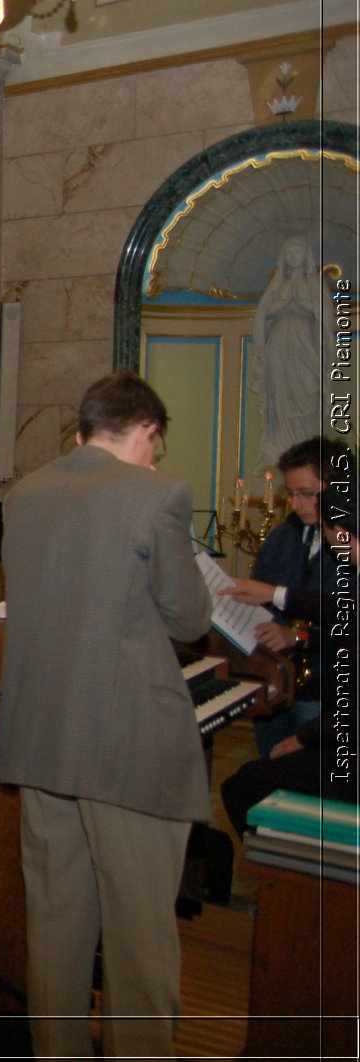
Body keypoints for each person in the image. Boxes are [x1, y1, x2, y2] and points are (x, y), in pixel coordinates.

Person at [0, 372, 212, 1061]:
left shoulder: (23, 494)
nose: (156, 457)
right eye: (157, 444)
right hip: (127, 744)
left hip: (41, 736)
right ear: (146, 431)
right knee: (140, 935)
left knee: (56, 926)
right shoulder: (157, 495)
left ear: (85, 428)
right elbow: (190, 616)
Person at [219, 471, 358, 837]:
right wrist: (271, 594)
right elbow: (333, 606)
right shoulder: (287, 537)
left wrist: (307, 737)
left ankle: (286, 877)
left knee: (244, 786)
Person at [244, 436, 344, 757]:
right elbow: (260, 592)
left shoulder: (349, 542)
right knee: (269, 766)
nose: (296, 505)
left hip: (325, 689)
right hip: (275, 678)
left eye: (307, 494)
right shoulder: (284, 534)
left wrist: (298, 636)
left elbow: (347, 624)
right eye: (291, 494)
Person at [251, 235, 333, 469]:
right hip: (280, 343)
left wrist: (304, 305)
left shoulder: (314, 283)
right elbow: (264, 314)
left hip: (304, 343)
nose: (293, 255)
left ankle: (305, 446)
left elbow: (325, 317)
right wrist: (284, 303)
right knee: (281, 393)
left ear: (306, 255)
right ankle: (280, 444)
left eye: (297, 251)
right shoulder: (278, 285)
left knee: (306, 389)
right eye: (289, 252)